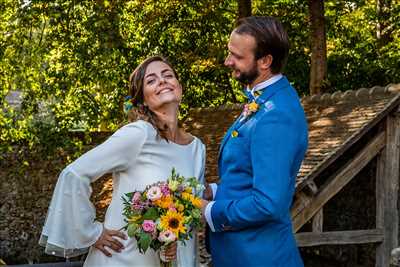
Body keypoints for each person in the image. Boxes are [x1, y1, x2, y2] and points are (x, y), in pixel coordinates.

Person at [40, 55, 206, 267]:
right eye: (151, 80)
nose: (162, 81)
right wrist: (92, 233)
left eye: (168, 75)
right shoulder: (138, 134)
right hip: (121, 258)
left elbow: (191, 209)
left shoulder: (196, 148)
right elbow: (74, 174)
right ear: (143, 99)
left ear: (179, 88)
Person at [202, 16, 308, 266]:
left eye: (237, 56)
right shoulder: (262, 97)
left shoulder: (275, 114)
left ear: (265, 61)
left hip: (259, 256)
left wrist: (208, 211)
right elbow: (249, 175)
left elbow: (268, 203)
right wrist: (214, 191)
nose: (228, 62)